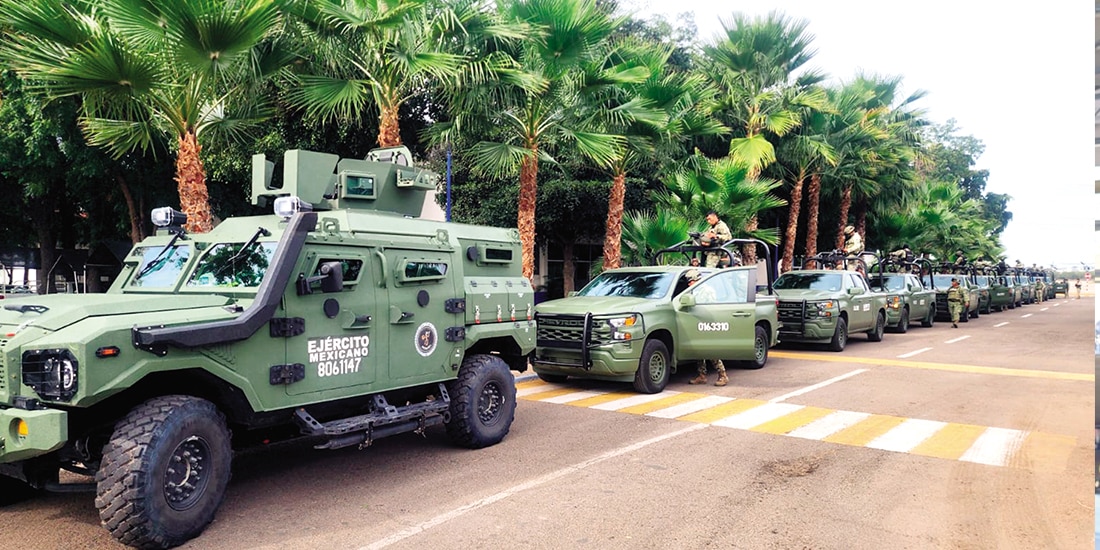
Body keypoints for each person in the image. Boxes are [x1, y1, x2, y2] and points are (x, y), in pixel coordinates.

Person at [684, 269, 728, 387]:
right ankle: (702, 375)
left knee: (711, 351)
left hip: (707, 324)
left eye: (691, 281)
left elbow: (710, 309)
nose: (689, 283)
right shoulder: (693, 291)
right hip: (697, 323)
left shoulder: (706, 291)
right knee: (699, 352)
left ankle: (723, 375)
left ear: (697, 280)